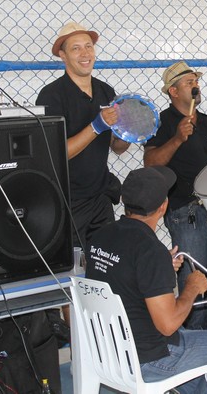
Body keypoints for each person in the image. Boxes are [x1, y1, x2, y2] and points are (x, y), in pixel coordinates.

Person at [85, 166, 207, 394]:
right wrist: (191, 288)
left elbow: (124, 276)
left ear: (125, 202)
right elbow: (168, 324)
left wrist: (162, 267)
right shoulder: (150, 250)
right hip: (149, 358)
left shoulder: (101, 236)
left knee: (196, 358)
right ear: (163, 207)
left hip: (109, 351)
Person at [144, 61, 207, 330]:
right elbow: (150, 162)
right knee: (192, 278)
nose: (196, 86)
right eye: (189, 83)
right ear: (173, 91)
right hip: (185, 211)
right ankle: (192, 336)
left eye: (196, 81)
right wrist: (177, 139)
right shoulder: (163, 122)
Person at [36, 21, 130, 250]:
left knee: (105, 262)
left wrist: (132, 132)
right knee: (72, 265)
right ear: (63, 55)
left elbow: (117, 147)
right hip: (68, 201)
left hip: (100, 197)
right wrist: (96, 126)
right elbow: (57, 154)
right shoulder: (51, 96)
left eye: (88, 46)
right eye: (75, 48)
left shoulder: (106, 91)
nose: (85, 54)